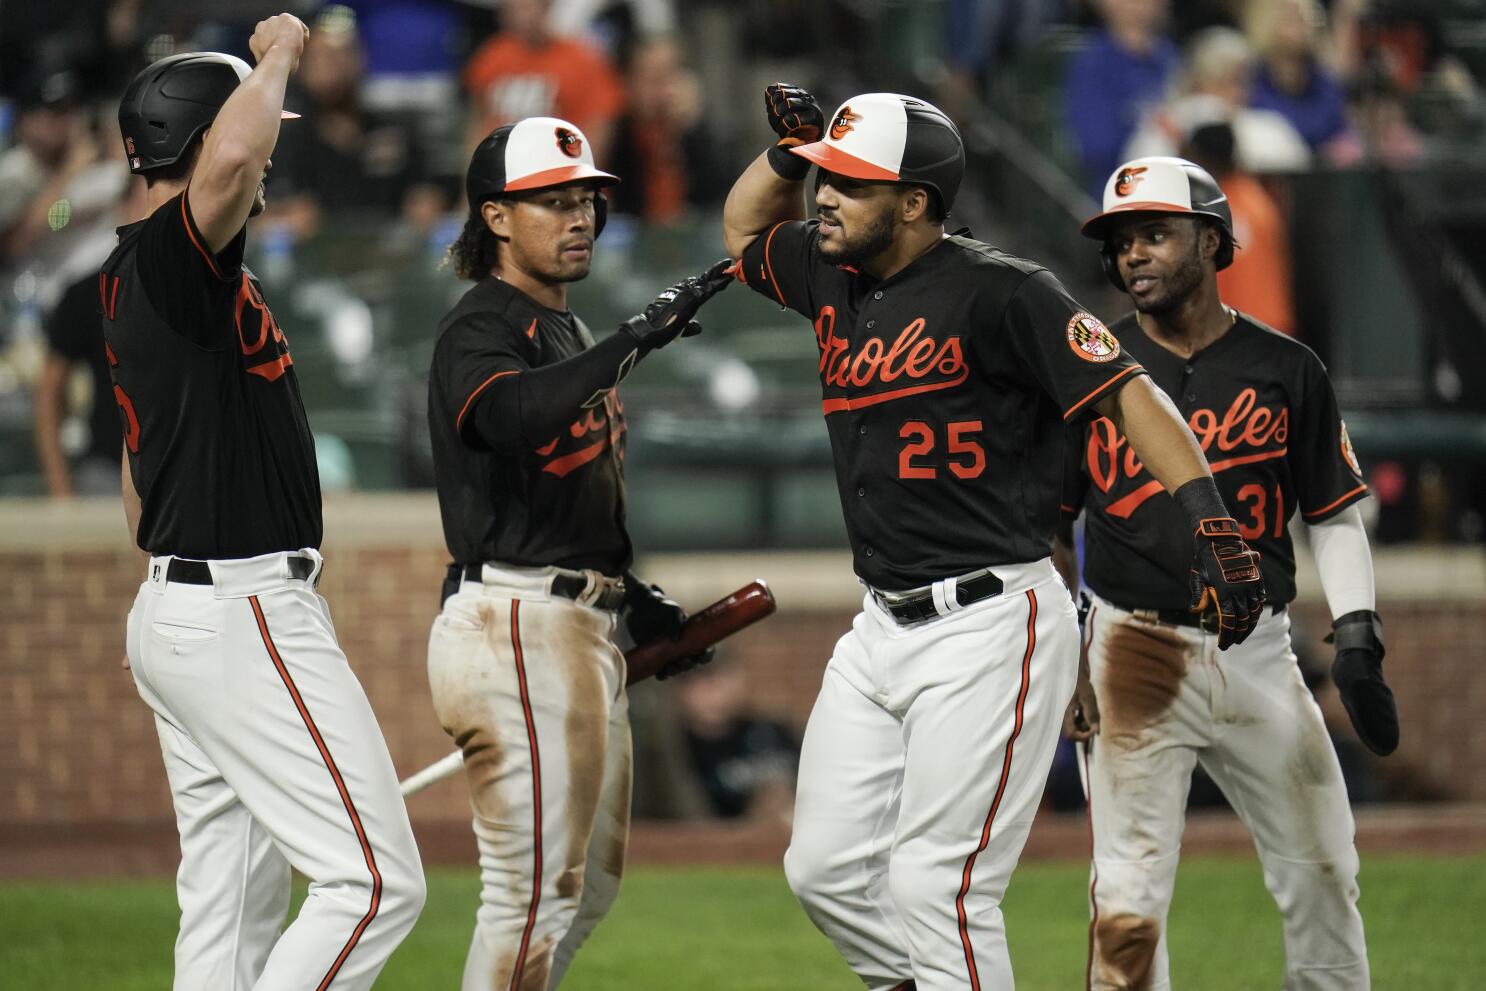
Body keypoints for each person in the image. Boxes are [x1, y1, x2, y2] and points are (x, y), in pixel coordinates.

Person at [721, 85, 1266, 990]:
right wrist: (793, 150)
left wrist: (1209, 514)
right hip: (878, 626)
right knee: (822, 870)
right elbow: (742, 228)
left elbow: (1131, 392)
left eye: (849, 183)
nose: (824, 197)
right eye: (825, 179)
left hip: (989, 620)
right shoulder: (829, 271)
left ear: (915, 203)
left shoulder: (1005, 291)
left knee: (937, 884)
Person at [102, 23, 426, 989]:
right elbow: (239, 151)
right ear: (195, 142)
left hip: (191, 601)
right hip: (239, 601)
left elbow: (137, 472)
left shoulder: (152, 276)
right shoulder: (168, 255)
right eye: (249, 133)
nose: (266, 155)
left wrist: (174, 596)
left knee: (230, 908)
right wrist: (279, 48)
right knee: (374, 885)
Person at [1060, 155, 1398, 991]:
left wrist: (1356, 633)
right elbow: (1042, 525)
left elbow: (1331, 508)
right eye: (1121, 241)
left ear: (1211, 242)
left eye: (1155, 234)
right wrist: (1067, 654)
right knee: (1128, 902)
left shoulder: (1287, 367)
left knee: (1324, 871)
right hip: (1130, 645)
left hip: (1259, 648)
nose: (1133, 254)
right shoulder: (1082, 369)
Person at [425, 113, 729, 989]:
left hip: (571, 620)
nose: (579, 217)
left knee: (585, 887)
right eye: (552, 201)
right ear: (495, 218)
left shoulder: (565, 331)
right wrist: (637, 337)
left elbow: (567, 491)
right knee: (531, 895)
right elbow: (512, 417)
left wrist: (630, 595)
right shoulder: (479, 325)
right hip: (515, 619)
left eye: (587, 199)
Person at [462, 0, 627, 163]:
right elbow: (478, 121)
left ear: (547, 6)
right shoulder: (491, 57)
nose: (520, 16)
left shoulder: (583, 59)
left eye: (527, 7)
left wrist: (580, 176)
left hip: (561, 171)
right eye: (512, 7)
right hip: (503, 174)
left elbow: (600, 123)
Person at [1063, 0, 1180, 195]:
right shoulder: (1093, 64)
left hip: (1178, 191)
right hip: (1119, 195)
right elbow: (1096, 147)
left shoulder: (1172, 59)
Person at [674, 653, 800, 820]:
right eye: (702, 680)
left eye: (722, 676)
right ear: (682, 691)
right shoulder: (677, 750)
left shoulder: (773, 731)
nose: (714, 689)